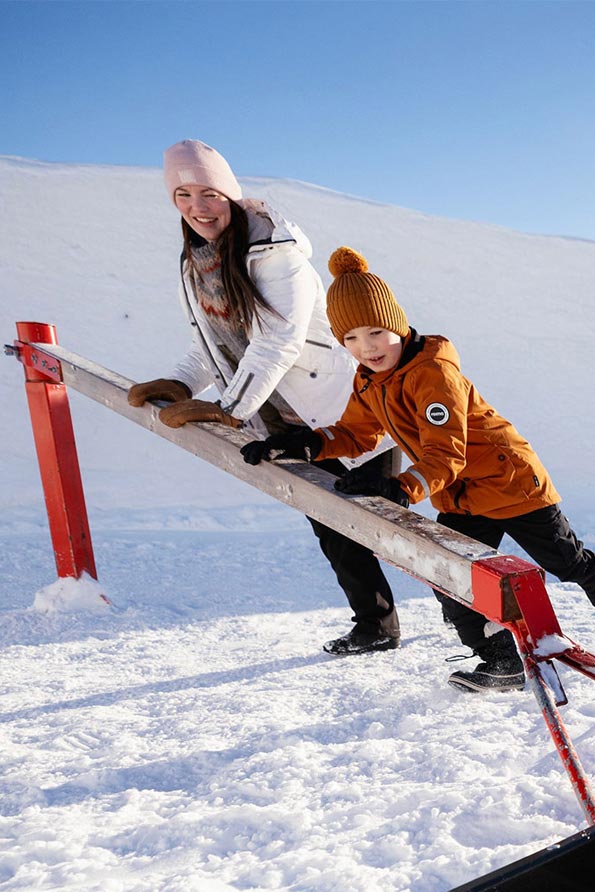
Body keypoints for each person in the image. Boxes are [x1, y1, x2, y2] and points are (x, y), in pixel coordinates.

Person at [240, 248, 595, 692]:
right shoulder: (368, 379)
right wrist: (309, 441)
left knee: (563, 559)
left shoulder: (433, 372)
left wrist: (400, 487)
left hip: (508, 481)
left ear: (397, 324)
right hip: (461, 494)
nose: (367, 348)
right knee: (449, 571)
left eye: (376, 332)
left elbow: (447, 453)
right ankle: (501, 659)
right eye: (351, 339)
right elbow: (357, 433)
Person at [128, 140, 399, 656]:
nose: (197, 207)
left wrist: (231, 409)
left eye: (208, 193)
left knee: (390, 527)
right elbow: (213, 343)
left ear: (229, 195)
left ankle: (479, 628)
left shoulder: (280, 256)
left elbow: (278, 339)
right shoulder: (198, 262)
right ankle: (375, 628)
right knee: (331, 525)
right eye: (183, 195)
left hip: (344, 410)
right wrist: (182, 384)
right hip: (281, 420)